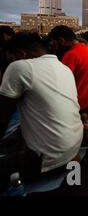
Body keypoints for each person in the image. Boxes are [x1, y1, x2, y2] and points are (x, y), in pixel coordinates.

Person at [0, 33, 83, 190]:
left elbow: (2, 116)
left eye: (10, 58)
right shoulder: (63, 67)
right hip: (73, 146)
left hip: (49, 158)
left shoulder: (19, 66)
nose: (9, 62)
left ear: (21, 54)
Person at [48, 26, 88, 145]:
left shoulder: (71, 55)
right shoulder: (86, 49)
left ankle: (87, 129)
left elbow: (59, 83)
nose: (53, 46)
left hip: (81, 102)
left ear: (61, 41)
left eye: (54, 43)